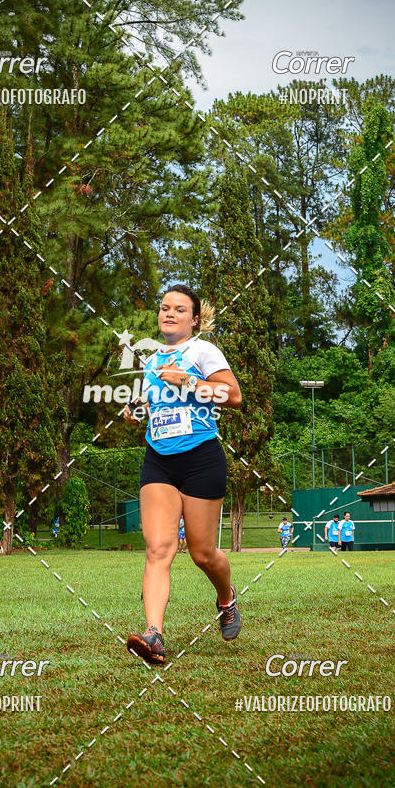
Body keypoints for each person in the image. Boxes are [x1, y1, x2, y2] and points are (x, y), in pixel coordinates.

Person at [125, 284, 243, 665]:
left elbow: (233, 396)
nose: (168, 313)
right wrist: (139, 406)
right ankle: (153, 635)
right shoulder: (152, 359)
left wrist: (189, 381)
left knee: (202, 553)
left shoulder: (203, 351)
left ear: (194, 319)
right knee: (159, 548)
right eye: (163, 308)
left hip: (201, 459)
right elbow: (161, 400)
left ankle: (226, 600)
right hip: (158, 459)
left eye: (178, 309)